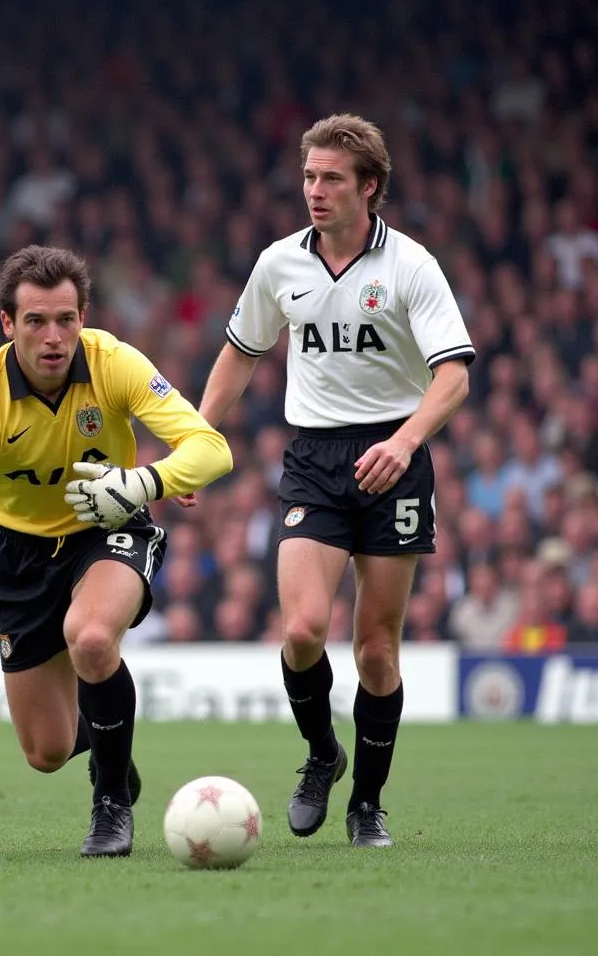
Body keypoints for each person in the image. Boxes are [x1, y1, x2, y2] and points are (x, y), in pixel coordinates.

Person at [0, 245, 232, 857]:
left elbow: (211, 449)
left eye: (66, 320)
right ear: (7, 324)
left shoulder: (116, 363)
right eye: (35, 322)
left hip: (108, 525)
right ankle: (113, 751)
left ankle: (110, 806)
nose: (54, 337)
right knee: (46, 751)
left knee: (93, 637)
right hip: (19, 555)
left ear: (83, 317)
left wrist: (148, 481)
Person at [197, 114, 474, 847]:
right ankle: (323, 753)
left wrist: (407, 439)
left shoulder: (411, 265)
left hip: (395, 460)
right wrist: (196, 438)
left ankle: (367, 805)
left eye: (332, 180)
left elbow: (453, 374)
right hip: (315, 461)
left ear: (369, 188)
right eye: (309, 177)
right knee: (300, 630)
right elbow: (241, 353)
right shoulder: (279, 264)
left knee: (377, 651)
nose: (315, 192)